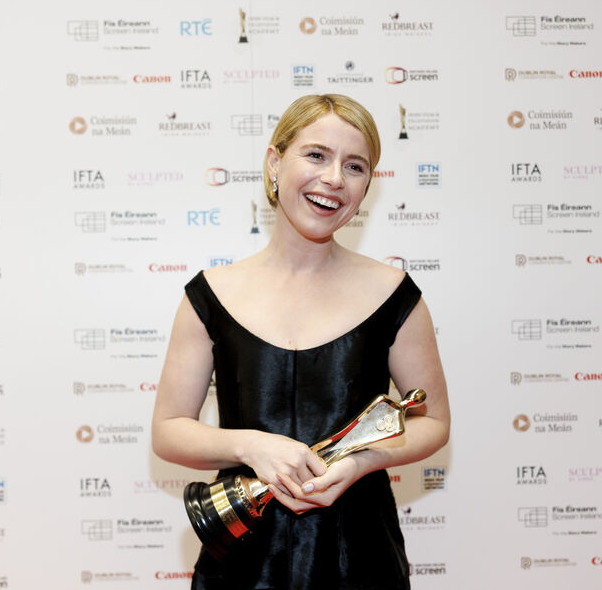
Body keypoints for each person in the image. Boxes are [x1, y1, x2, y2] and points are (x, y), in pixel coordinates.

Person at [152, 93, 450, 590]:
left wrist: (360, 463)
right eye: (316, 155)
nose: (334, 177)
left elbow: (433, 421)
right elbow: (168, 430)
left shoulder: (396, 295)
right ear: (274, 162)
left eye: (355, 166)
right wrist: (251, 446)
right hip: (241, 562)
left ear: (366, 187)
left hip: (360, 561)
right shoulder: (210, 294)